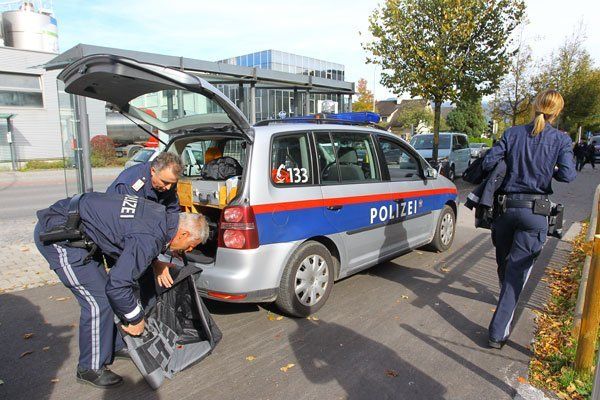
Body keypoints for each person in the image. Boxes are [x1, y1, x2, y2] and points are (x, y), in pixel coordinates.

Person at [34, 193, 209, 388]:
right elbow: (118, 284)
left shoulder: (161, 216)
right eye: (191, 245)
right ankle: (89, 368)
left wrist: (154, 262)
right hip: (59, 235)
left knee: (106, 294)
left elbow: (135, 238)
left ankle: (115, 345)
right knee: (98, 301)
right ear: (183, 234)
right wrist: (136, 319)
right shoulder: (150, 237)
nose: (189, 250)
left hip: (81, 231)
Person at [481, 89, 576, 349]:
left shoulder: (512, 133)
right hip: (535, 213)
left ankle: (505, 302)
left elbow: (489, 162)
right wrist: (547, 167)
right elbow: (568, 175)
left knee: (505, 264)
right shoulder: (560, 140)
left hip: (506, 210)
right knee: (515, 273)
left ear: (535, 106)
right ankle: (497, 333)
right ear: (557, 112)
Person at [106, 152, 183, 214]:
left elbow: (173, 209)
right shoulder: (131, 185)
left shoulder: (168, 181)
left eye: (173, 183)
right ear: (153, 171)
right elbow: (133, 220)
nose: (169, 187)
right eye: (165, 182)